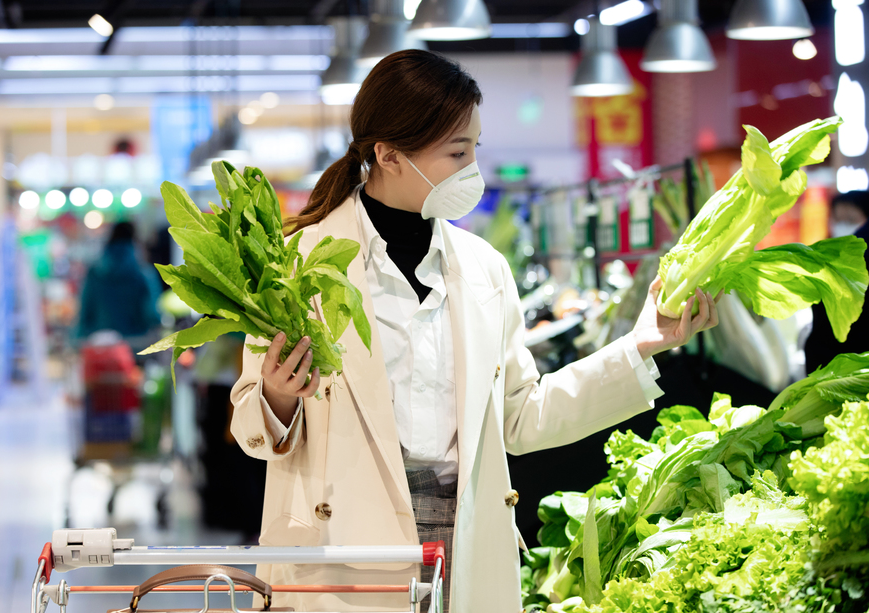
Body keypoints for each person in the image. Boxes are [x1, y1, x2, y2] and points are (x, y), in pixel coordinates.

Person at [229, 50, 719, 612]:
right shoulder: (298, 267)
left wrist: (641, 346)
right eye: (456, 152)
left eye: (474, 151)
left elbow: (520, 415)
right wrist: (276, 395)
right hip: (339, 554)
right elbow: (251, 426)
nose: (471, 170)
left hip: (464, 535)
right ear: (388, 154)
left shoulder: (484, 268)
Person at [805, 190, 869, 372]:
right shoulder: (829, 258)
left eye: (850, 219)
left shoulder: (859, 257)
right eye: (838, 219)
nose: (842, 226)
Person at [76, 220, 162, 348]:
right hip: (135, 347)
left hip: (101, 347)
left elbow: (84, 312)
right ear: (135, 240)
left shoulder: (94, 271)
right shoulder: (144, 273)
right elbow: (152, 315)